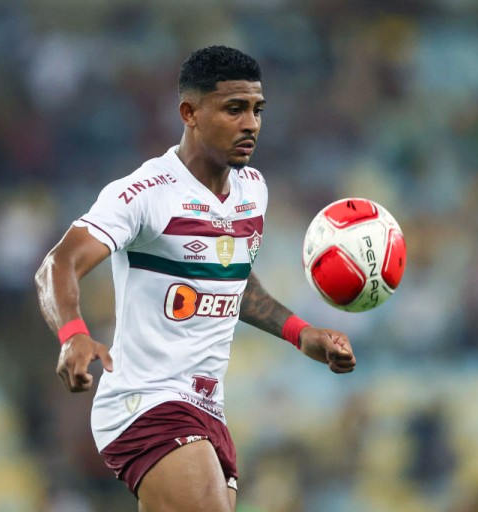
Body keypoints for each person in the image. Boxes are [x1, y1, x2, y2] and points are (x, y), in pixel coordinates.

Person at [35, 45, 356, 512]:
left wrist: (300, 333)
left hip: (207, 408)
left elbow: (233, 281)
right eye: (234, 109)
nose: (251, 124)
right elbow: (57, 264)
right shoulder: (144, 193)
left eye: (257, 110)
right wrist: (72, 334)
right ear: (190, 113)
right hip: (146, 403)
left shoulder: (253, 191)